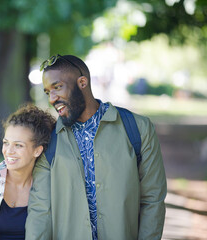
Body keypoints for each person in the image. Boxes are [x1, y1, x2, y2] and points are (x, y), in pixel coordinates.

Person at [25, 54, 167, 240]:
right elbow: (40, 210)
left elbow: (153, 200)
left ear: (82, 82)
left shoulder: (138, 129)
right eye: (47, 92)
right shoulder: (49, 140)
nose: (52, 98)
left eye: (57, 87)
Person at [0, 104, 56, 240]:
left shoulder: (49, 184)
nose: (9, 151)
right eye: (6, 143)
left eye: (18, 145)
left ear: (37, 150)